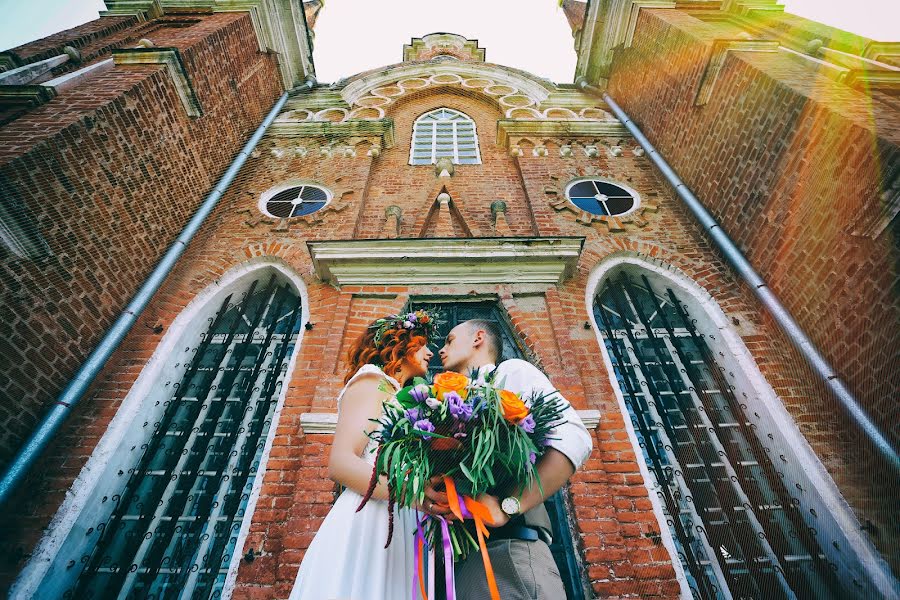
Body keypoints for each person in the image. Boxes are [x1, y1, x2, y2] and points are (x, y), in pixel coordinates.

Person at [432, 319, 593, 599]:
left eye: (449, 340)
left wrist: (508, 506)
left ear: (478, 338)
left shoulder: (510, 372)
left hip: (509, 553)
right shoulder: (442, 405)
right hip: (466, 561)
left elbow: (574, 436)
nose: (441, 351)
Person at [290, 311, 440, 600]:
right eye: (422, 344)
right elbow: (342, 463)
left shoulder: (400, 395)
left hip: (399, 518)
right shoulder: (373, 382)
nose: (430, 352)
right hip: (370, 518)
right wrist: (415, 494)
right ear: (401, 345)